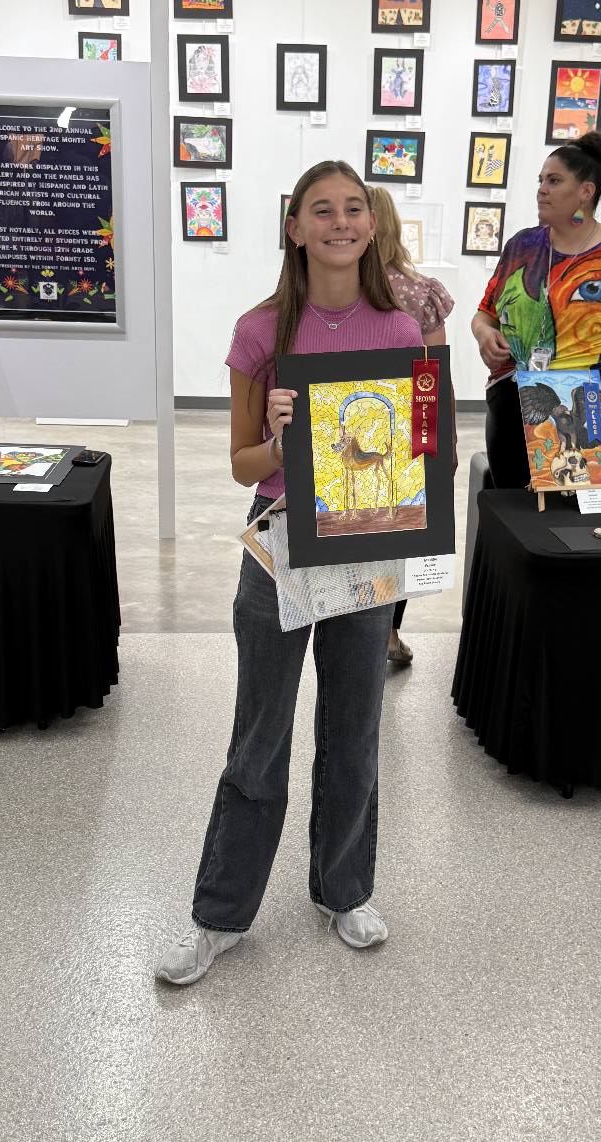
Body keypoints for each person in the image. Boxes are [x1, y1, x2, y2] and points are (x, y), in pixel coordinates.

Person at [156, 160, 423, 987]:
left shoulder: (402, 330)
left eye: (353, 209)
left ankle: (342, 891)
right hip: (279, 550)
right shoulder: (260, 330)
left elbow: (417, 451)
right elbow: (244, 465)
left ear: (370, 225)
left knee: (354, 733)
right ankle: (221, 914)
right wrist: (276, 439)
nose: (340, 222)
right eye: (321, 210)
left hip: (368, 547)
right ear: (294, 226)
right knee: (258, 738)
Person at [471, 131, 601, 489]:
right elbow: (484, 314)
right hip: (513, 402)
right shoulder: (522, 246)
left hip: (587, 408)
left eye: (554, 181)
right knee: (512, 514)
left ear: (585, 192)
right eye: (541, 180)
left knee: (574, 522)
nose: (542, 189)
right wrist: (484, 334)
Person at [367, 186, 455, 666]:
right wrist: (438, 442)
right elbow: (434, 376)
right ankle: (388, 633)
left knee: (355, 527)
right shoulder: (420, 291)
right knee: (402, 534)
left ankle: (351, 618)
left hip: (359, 420)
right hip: (409, 428)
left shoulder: (341, 290)